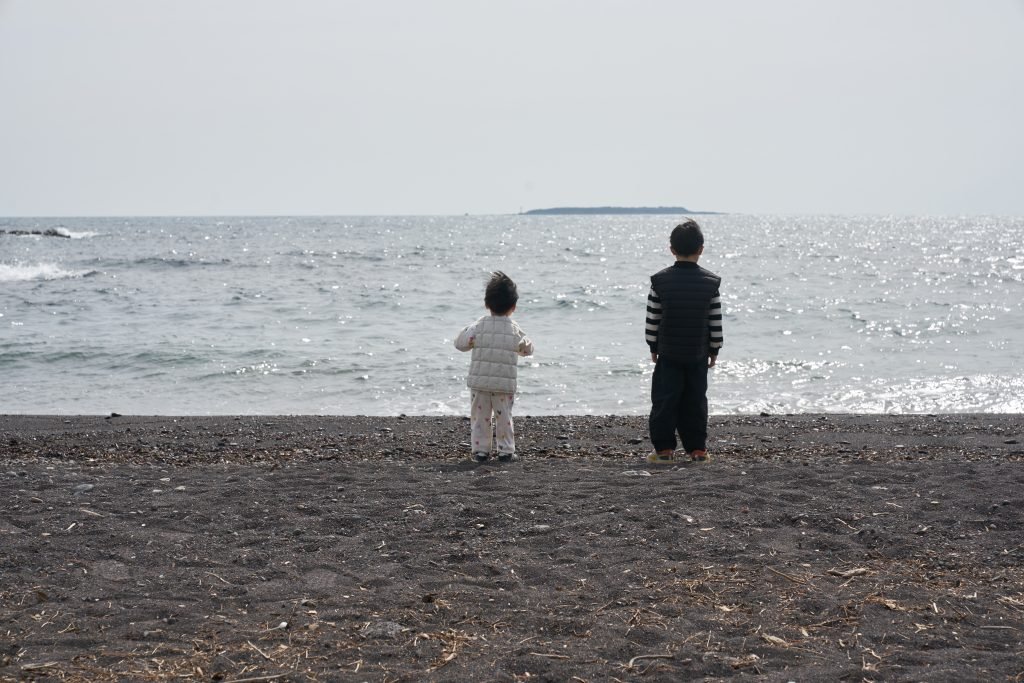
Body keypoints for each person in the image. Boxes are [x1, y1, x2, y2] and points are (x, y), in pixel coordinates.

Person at [645, 219, 723, 464]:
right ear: (701, 248)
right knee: (696, 401)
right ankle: (697, 450)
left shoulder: (660, 281)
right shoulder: (711, 283)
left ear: (671, 249)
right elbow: (715, 321)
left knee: (664, 401)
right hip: (697, 353)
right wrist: (714, 349)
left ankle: (664, 451)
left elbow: (652, 319)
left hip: (668, 353)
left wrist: (653, 346)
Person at [455, 271, 534, 463]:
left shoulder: (478, 326)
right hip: (503, 386)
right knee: (504, 417)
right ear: (513, 307)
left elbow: (460, 344)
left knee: (480, 418)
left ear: (486, 304)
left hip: (480, 384)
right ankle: (506, 451)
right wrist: (521, 349)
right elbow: (528, 349)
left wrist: (468, 334)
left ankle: (481, 451)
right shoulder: (514, 329)